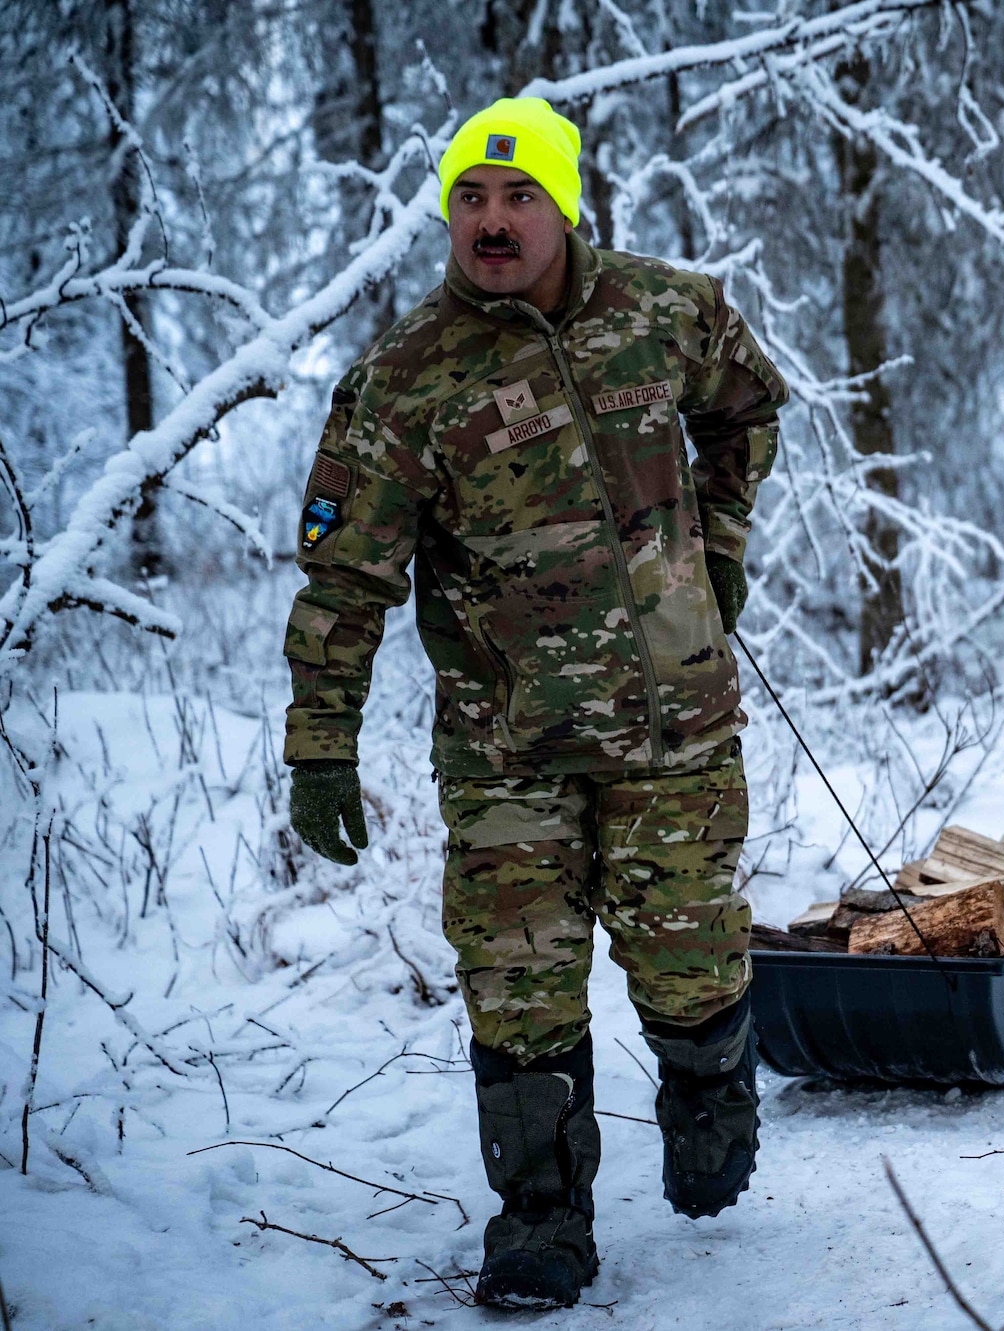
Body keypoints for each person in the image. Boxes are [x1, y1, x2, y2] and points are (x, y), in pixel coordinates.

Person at [280, 97, 787, 1309]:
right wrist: (320, 744)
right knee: (517, 984)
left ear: (564, 204)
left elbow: (746, 405)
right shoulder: (405, 378)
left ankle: (709, 1089)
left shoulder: (667, 313)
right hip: (507, 746)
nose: (492, 222)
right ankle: (541, 1218)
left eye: (518, 197)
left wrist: (717, 544)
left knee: (688, 961)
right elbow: (347, 574)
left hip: (674, 734)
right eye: (470, 198)